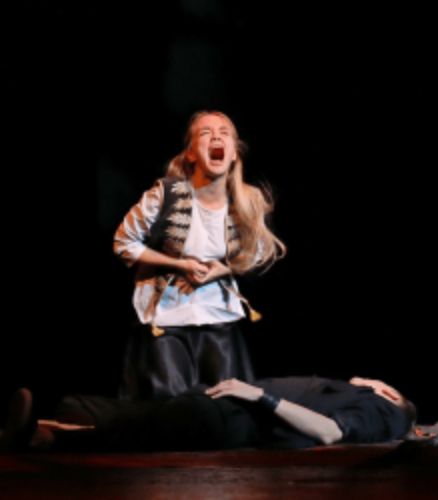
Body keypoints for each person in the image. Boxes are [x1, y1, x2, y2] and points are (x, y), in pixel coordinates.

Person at [113, 110, 286, 400]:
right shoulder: (165, 194)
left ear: (233, 153)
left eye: (224, 133)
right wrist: (179, 264)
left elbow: (257, 251)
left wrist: (223, 269)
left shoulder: (246, 200)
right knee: (172, 405)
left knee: (226, 402)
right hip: (167, 320)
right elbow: (123, 242)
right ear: (191, 153)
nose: (216, 136)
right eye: (206, 133)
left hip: (218, 318)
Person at [0, 376, 416, 452]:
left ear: (389, 392)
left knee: (131, 427)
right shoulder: (362, 398)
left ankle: (42, 435)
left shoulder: (382, 409)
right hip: (219, 407)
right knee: (106, 412)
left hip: (229, 420)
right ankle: (38, 430)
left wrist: (259, 396)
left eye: (375, 378)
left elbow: (329, 432)